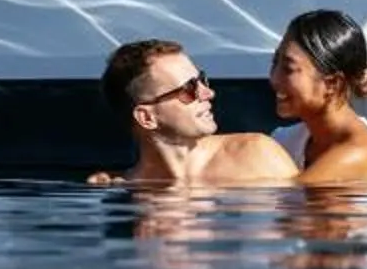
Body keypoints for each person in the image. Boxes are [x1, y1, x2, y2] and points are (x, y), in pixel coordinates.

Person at [93, 37, 299, 186]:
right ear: (146, 117)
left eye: (202, 80)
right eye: (189, 89)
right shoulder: (122, 187)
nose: (208, 93)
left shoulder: (256, 155)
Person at [267, 8, 367, 187]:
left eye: (288, 69)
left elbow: (281, 195)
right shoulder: (286, 140)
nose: (274, 78)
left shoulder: (361, 152)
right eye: (275, 62)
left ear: (333, 83)